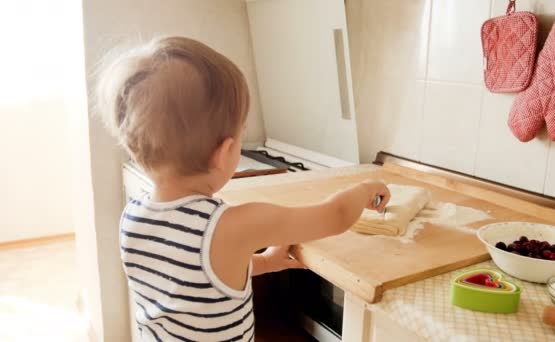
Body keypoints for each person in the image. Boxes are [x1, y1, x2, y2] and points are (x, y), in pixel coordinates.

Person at [96, 36, 390, 341]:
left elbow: (190, 280)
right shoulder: (231, 225)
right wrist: (367, 188)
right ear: (225, 153)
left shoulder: (131, 218)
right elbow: (335, 215)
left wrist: (264, 262)